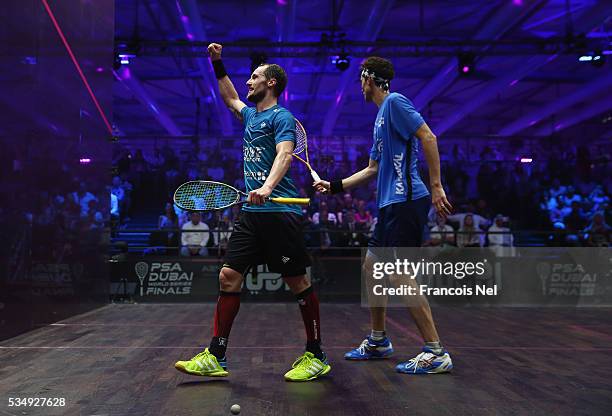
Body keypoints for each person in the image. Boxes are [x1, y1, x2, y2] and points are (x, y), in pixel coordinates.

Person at [175, 43, 330, 382]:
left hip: (279, 214)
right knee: (228, 277)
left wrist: (268, 188)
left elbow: (285, 154)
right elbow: (230, 98)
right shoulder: (250, 115)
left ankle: (316, 354)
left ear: (271, 83)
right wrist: (218, 63)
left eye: (255, 77)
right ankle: (216, 355)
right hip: (251, 213)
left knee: (298, 282)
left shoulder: (281, 117)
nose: (249, 82)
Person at [314, 56, 453, 374]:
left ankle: (435, 352)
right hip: (390, 204)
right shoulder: (380, 118)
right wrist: (333, 186)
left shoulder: (394, 102)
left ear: (368, 79)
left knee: (399, 274)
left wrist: (436, 186)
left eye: (360, 80)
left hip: (407, 200)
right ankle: (378, 340)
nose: (359, 86)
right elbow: (373, 169)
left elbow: (429, 137)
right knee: (372, 267)